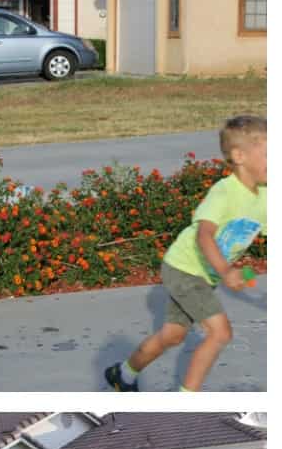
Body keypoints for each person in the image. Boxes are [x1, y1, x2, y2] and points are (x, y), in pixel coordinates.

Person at [105, 114, 266, 392]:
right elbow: (205, 235)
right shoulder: (225, 193)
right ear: (239, 156)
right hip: (184, 269)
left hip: (205, 276)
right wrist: (227, 272)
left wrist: (242, 275)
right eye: (269, 154)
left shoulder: (266, 196)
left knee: (172, 336)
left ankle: (124, 374)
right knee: (220, 333)